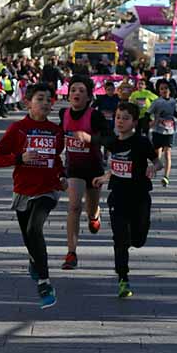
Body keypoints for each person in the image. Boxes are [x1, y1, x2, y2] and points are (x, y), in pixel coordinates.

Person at [0, 82, 65, 309]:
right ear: (28, 103)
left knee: (35, 229)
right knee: (28, 237)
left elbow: (57, 158)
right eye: (40, 98)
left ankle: (44, 282)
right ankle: (34, 259)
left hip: (47, 190)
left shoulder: (56, 131)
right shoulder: (18, 129)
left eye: (48, 99)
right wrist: (20, 158)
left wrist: (61, 176)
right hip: (23, 190)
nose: (45, 103)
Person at [92, 101, 159, 299]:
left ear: (135, 122)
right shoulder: (112, 142)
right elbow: (115, 168)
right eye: (118, 117)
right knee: (120, 240)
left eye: (125, 118)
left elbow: (158, 161)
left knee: (137, 240)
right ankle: (123, 278)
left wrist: (153, 168)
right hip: (117, 197)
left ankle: (134, 238)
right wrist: (103, 178)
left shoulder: (142, 142)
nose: (120, 121)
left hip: (139, 197)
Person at [60, 76, 109, 270]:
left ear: (88, 96)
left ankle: (95, 217)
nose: (76, 93)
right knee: (73, 207)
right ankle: (71, 253)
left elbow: (108, 139)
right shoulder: (64, 114)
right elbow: (58, 137)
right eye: (73, 90)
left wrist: (89, 138)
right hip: (73, 169)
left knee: (91, 208)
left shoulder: (95, 116)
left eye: (81, 90)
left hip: (94, 169)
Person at [149, 80, 177, 186]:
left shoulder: (173, 101)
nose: (164, 90)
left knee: (168, 153)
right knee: (157, 153)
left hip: (170, 130)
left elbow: (173, 111)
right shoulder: (156, 102)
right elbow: (148, 113)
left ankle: (166, 177)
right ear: (159, 91)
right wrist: (150, 122)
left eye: (166, 88)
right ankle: (154, 170)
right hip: (158, 130)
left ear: (169, 90)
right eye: (162, 89)